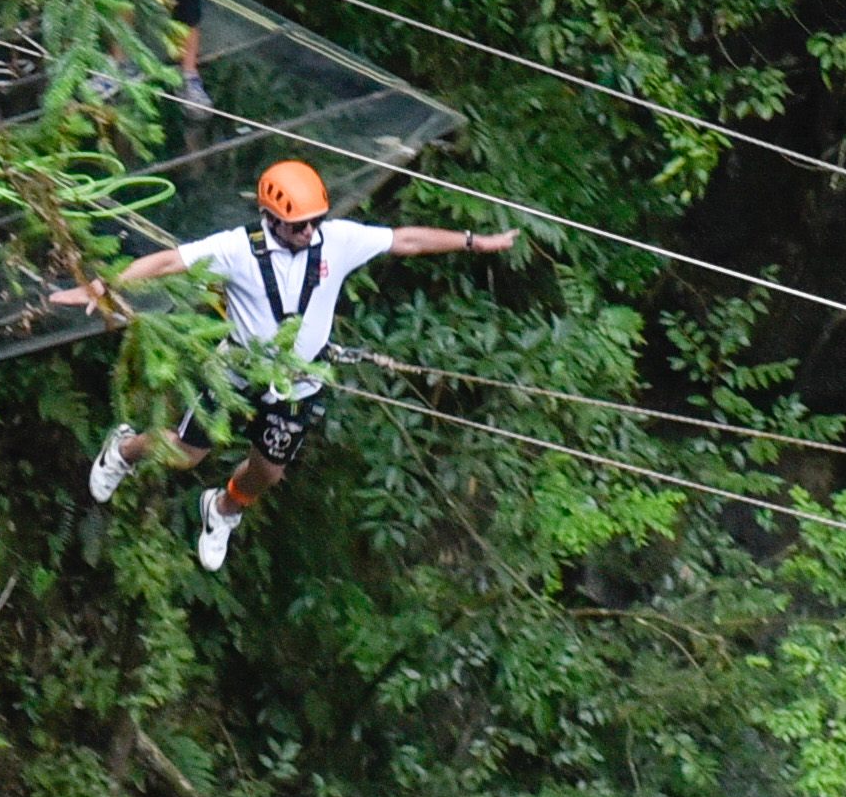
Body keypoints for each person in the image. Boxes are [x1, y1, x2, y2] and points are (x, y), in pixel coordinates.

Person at [48, 159, 515, 571]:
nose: (309, 232)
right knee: (186, 456)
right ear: (270, 218)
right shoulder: (237, 249)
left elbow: (406, 239)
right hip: (237, 372)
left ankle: (223, 509)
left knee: (268, 472)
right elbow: (171, 261)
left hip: (299, 383)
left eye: (314, 222)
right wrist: (103, 286)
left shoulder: (337, 241)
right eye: (298, 226)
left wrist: (474, 241)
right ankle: (125, 450)